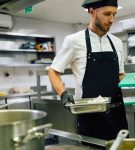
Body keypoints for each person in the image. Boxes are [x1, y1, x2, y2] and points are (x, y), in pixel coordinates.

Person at [48, 0, 128, 140]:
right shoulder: (73, 41)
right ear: (92, 12)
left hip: (117, 114)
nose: (111, 20)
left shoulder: (117, 42)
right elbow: (53, 71)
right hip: (90, 118)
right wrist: (63, 94)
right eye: (107, 14)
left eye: (114, 14)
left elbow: (120, 75)